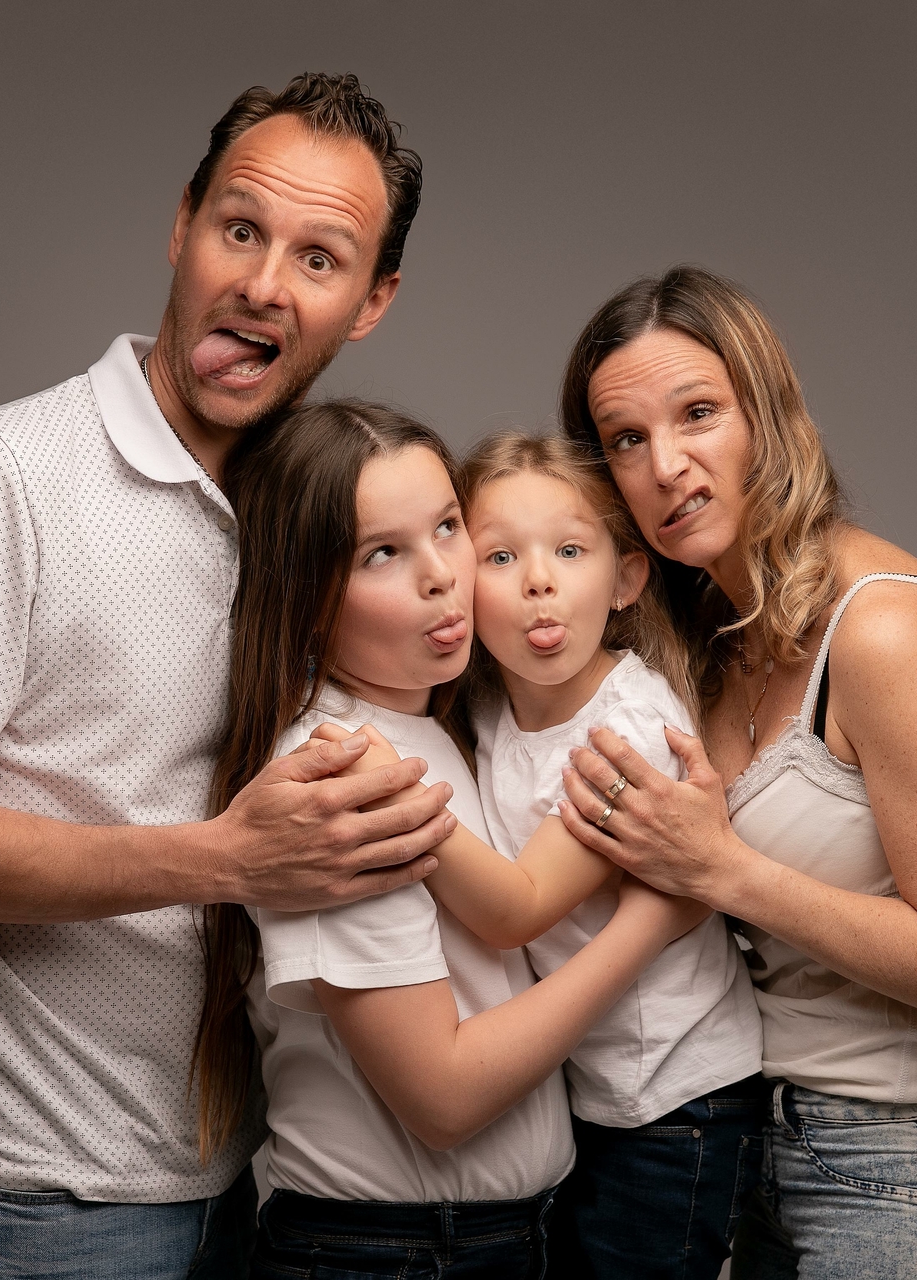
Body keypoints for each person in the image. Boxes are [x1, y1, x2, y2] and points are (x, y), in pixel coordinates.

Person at [0, 74, 451, 1278]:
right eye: (240, 228)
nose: (264, 282)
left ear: (372, 300)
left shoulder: (312, 515)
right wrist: (223, 857)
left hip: (243, 1183)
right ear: (182, 224)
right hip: (25, 1190)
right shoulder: (5, 474)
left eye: (320, 258)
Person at [552, 266, 917, 1279]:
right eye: (626, 440)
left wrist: (723, 868)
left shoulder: (884, 631)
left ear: (768, 417)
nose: (667, 464)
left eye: (699, 413)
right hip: (761, 1153)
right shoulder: (706, 640)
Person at [201, 399, 707, 1278]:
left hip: (486, 1237)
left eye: (447, 528)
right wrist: (653, 921)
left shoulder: (451, 722)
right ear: (307, 596)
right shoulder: (347, 777)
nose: (444, 575)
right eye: (383, 553)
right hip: (395, 1252)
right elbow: (442, 1096)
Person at [319, 429, 766, 1277]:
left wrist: (399, 799)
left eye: (569, 550)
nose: (538, 583)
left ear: (627, 577)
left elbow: (516, 907)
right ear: (460, 586)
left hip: (679, 1100)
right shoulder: (486, 709)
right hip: (594, 1093)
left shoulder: (625, 732)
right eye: (498, 557)